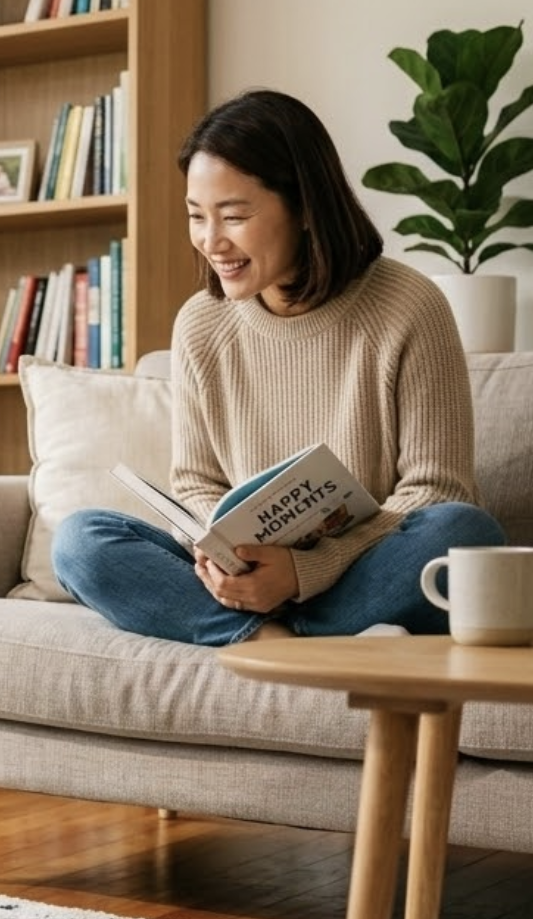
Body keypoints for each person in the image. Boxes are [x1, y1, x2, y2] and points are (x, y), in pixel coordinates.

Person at [50, 88, 504, 646]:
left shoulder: (409, 305)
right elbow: (195, 482)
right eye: (197, 216)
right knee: (80, 541)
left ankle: (269, 631)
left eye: (234, 216)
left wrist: (302, 571)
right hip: (243, 576)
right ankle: (269, 637)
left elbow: (437, 488)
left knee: (465, 531)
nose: (211, 242)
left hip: (360, 572)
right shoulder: (201, 322)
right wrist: (223, 557)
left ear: (306, 209)